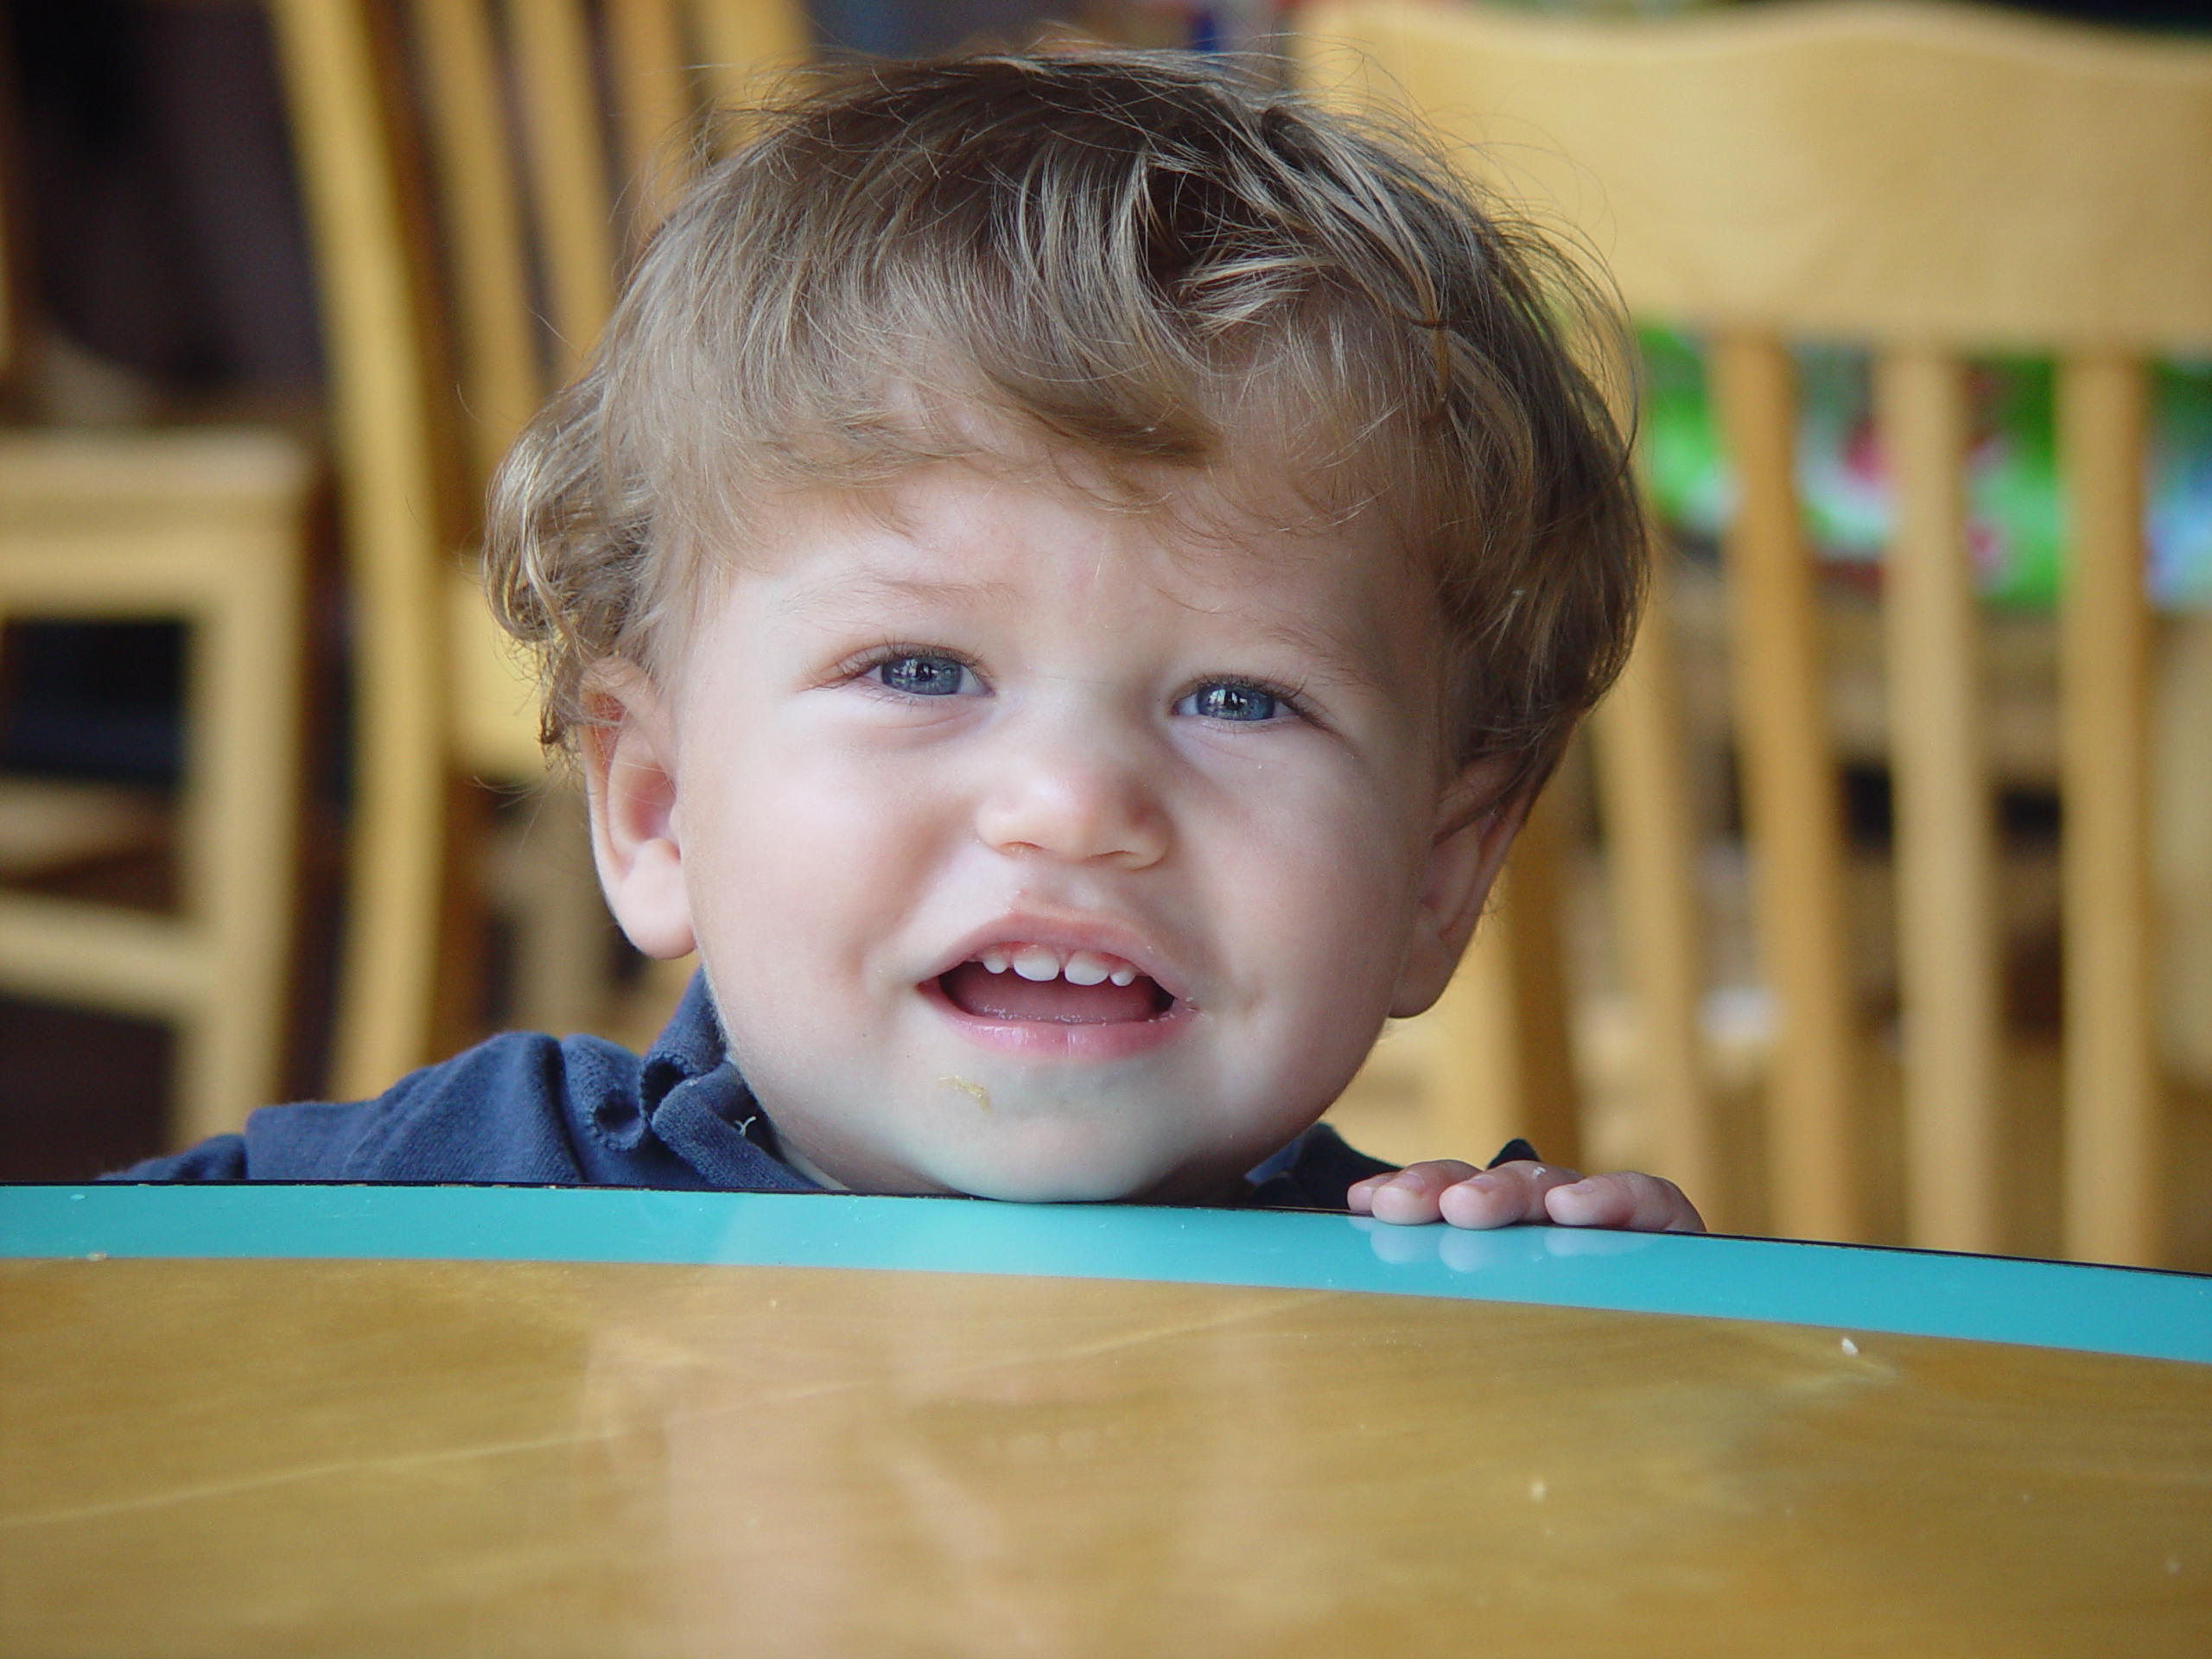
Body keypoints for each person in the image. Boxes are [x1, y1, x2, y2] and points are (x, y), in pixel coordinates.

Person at [115, 48, 1700, 1235]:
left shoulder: (1437, 1301)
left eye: (1240, 698)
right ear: (656, 806)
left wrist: (1652, 1386)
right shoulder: (468, 1203)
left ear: (1440, 875)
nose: (1073, 805)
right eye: (923, 671)